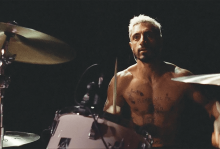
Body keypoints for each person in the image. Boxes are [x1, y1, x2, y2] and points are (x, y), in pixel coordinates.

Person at [103, 14, 220, 148]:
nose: (142, 41)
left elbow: (212, 105)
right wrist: (111, 116)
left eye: (148, 35)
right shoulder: (121, 80)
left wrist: (219, 126)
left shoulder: (180, 77)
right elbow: (106, 120)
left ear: (160, 41)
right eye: (136, 37)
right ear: (131, 45)